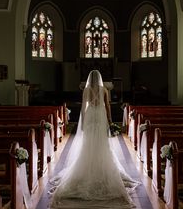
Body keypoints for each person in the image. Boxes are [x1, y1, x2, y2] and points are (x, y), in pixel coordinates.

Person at [48, 70, 140, 208]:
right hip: (100, 115)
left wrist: (83, 122)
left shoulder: (86, 90)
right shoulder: (104, 89)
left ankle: (88, 166)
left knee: (88, 142)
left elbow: (83, 108)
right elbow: (107, 106)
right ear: (100, 79)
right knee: (102, 143)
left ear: (90, 80)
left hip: (91, 115)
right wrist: (109, 121)